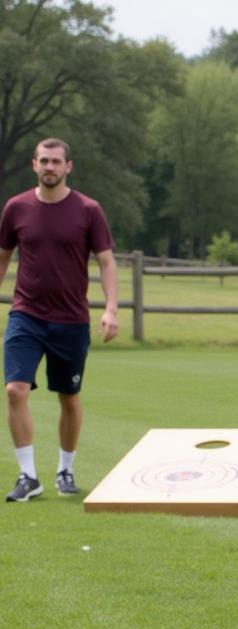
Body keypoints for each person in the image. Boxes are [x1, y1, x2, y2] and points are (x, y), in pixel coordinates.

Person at [0, 137, 118, 502]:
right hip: (26, 315)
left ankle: (65, 469)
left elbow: (107, 261)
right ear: (33, 164)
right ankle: (28, 476)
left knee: (69, 396)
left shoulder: (88, 210)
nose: (50, 167)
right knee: (14, 389)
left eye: (56, 162)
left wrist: (111, 308)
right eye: (44, 161)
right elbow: (3, 256)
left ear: (69, 166)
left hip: (70, 319)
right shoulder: (15, 208)